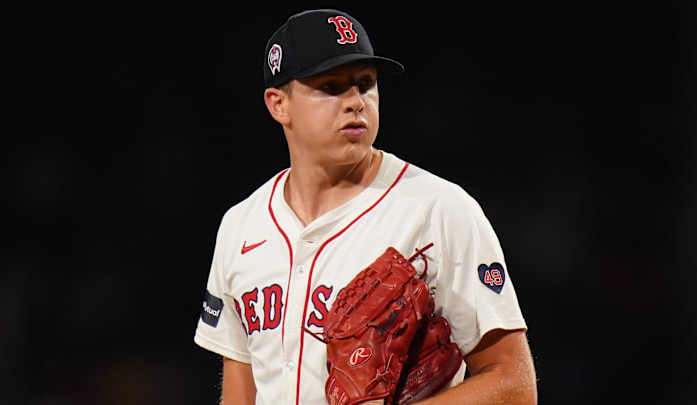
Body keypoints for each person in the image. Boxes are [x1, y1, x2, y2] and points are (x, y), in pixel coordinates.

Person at [194, 8, 537, 405]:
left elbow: (514, 385)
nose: (355, 101)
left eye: (365, 84)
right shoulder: (241, 225)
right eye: (331, 86)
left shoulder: (438, 209)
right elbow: (241, 394)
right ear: (278, 105)